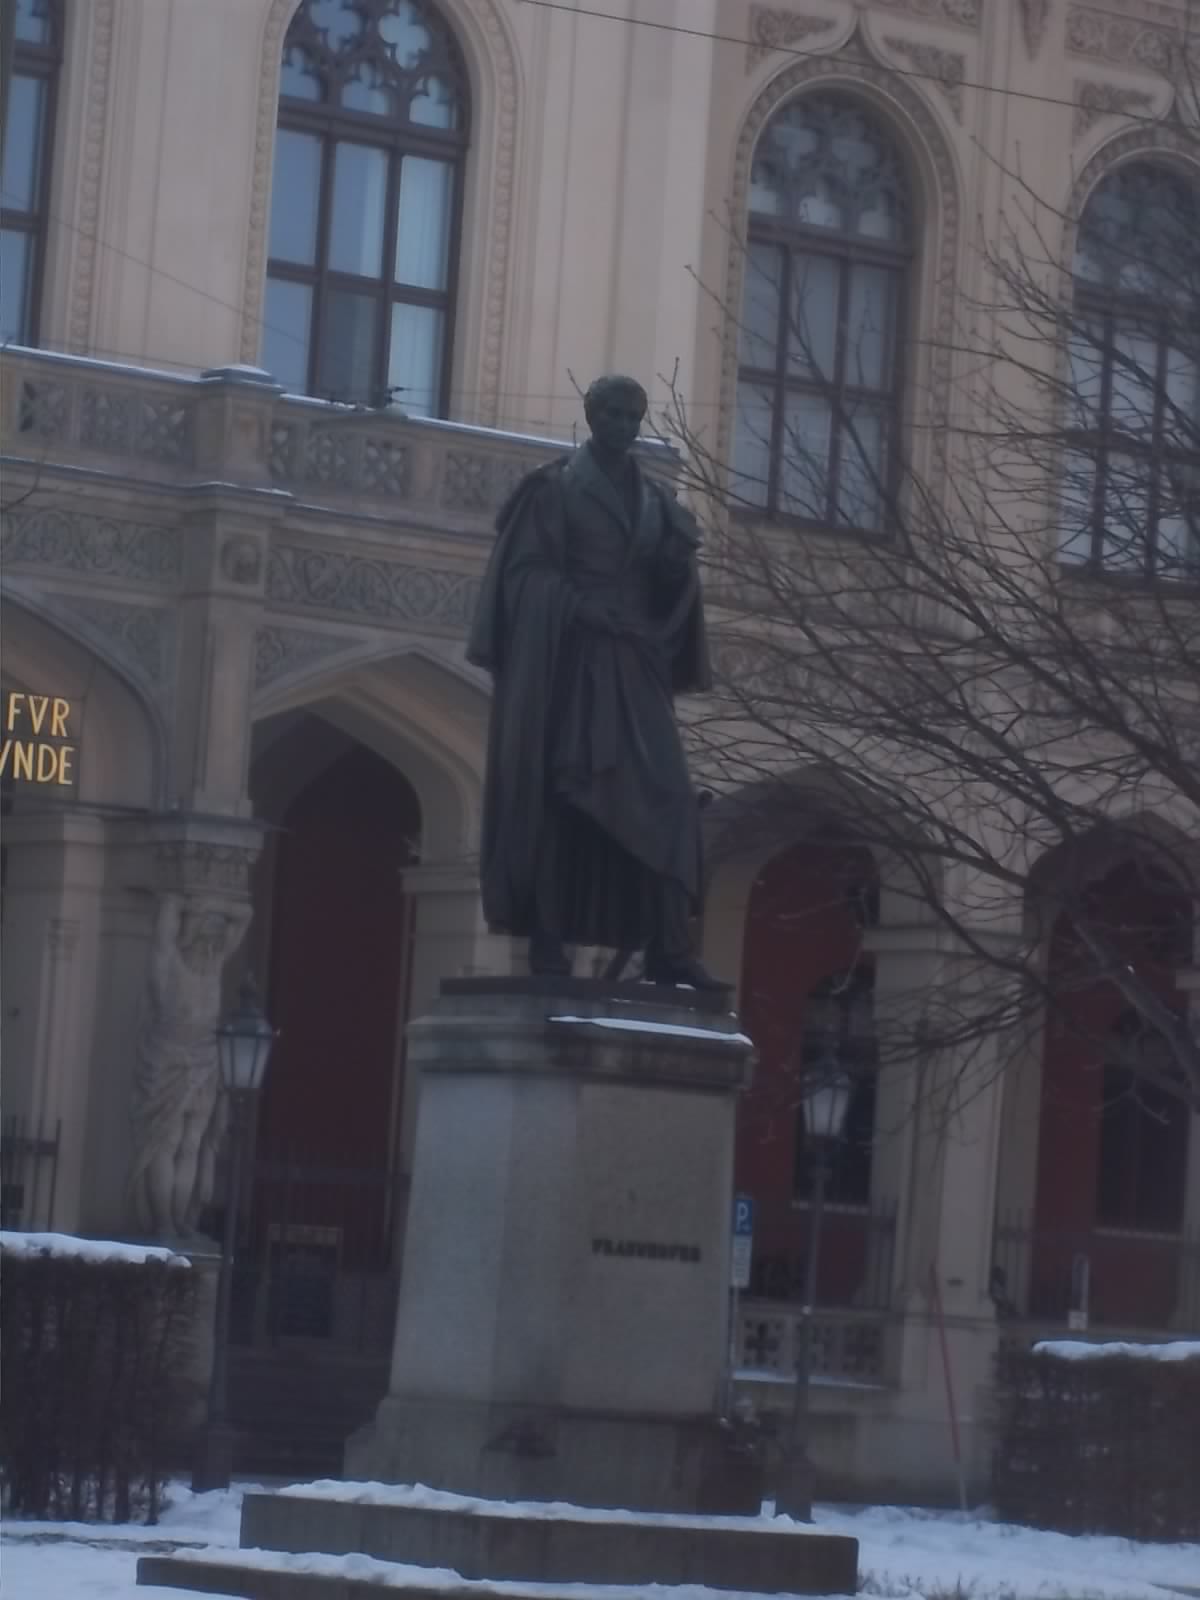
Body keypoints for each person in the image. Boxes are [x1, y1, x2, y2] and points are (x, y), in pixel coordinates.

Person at [467, 374, 722, 988]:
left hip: (634, 667)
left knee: (670, 798)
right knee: (567, 797)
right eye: (612, 413)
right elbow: (522, 578)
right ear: (591, 416)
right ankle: (549, 941)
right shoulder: (553, 489)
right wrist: (579, 608)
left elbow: (671, 592)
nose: (623, 425)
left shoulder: (657, 502)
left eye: (632, 416)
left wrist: (675, 570)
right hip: (571, 666)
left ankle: (670, 949)